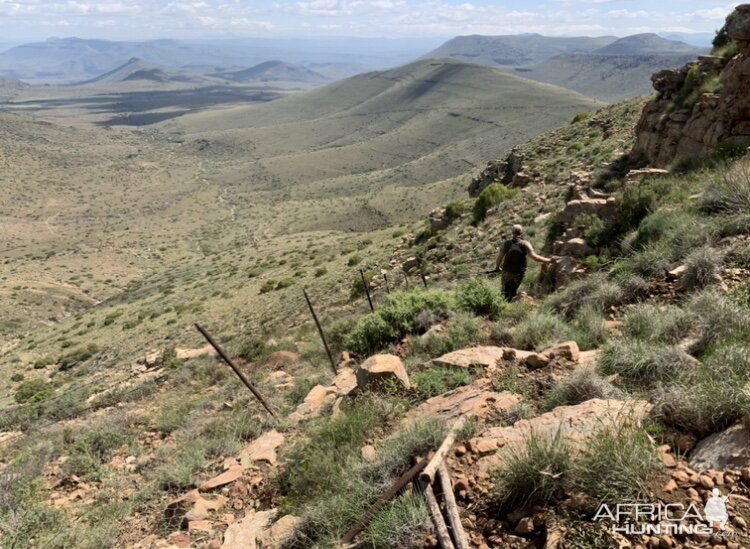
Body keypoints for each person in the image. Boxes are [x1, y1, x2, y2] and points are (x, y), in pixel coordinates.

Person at [495, 224, 553, 301]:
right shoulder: (525, 244)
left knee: (504, 292)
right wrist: (549, 260)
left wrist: (497, 267)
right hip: (518, 273)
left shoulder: (507, 243)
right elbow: (535, 257)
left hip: (506, 272)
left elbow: (499, 258)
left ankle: (503, 305)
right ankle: (510, 305)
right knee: (513, 291)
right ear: (522, 232)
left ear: (512, 232)